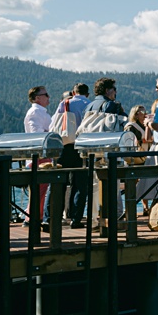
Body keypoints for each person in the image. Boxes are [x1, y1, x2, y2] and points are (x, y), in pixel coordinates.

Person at [51, 83, 92, 229]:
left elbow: (53, 125)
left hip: (65, 145)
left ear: (74, 92)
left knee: (58, 182)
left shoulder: (65, 103)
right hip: (82, 147)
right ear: (87, 94)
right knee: (80, 185)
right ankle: (76, 219)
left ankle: (52, 217)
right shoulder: (90, 104)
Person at [22, 85, 51, 227]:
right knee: (40, 189)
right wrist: (50, 133)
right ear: (37, 98)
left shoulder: (40, 112)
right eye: (45, 94)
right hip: (40, 155)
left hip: (42, 154)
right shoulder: (35, 112)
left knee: (41, 189)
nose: (48, 97)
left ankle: (34, 217)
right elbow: (36, 134)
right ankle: (32, 218)